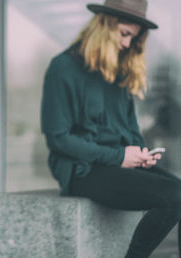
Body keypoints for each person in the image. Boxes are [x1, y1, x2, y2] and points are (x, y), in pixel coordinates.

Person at [41, 0, 181, 257]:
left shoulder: (119, 70)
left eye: (133, 38)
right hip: (82, 170)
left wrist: (141, 154)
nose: (128, 44)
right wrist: (119, 156)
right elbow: (58, 139)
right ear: (103, 26)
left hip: (121, 163)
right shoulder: (63, 68)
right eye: (124, 34)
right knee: (175, 196)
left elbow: (129, 128)